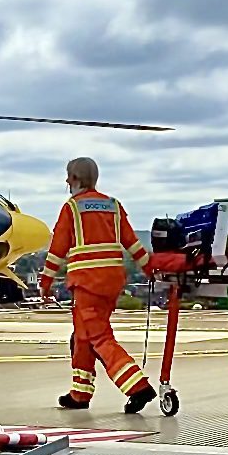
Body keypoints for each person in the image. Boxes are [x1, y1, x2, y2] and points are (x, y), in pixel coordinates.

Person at [37, 157, 156, 413]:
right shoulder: (113, 205)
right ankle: (80, 394)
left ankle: (138, 386)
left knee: (98, 336)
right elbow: (133, 243)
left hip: (87, 283)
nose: (67, 182)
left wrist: (45, 281)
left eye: (69, 176)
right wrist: (149, 268)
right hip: (112, 282)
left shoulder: (72, 208)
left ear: (76, 179)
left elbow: (57, 250)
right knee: (83, 336)